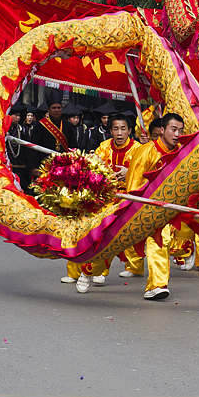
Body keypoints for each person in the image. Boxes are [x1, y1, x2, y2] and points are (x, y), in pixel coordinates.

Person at [66, 113, 144, 291]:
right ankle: (91, 271)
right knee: (97, 233)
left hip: (130, 200)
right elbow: (95, 170)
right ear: (110, 131)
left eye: (123, 129)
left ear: (130, 131)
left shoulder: (139, 149)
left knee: (136, 236)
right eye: (116, 129)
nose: (119, 133)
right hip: (106, 199)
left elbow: (147, 173)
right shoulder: (103, 147)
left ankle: (137, 268)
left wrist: (130, 172)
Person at [124, 114, 185, 301]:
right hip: (144, 206)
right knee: (115, 243)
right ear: (162, 130)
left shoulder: (182, 152)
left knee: (159, 241)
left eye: (180, 131)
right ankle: (90, 271)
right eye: (173, 130)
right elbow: (134, 182)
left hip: (166, 208)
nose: (177, 134)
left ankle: (158, 285)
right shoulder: (146, 152)